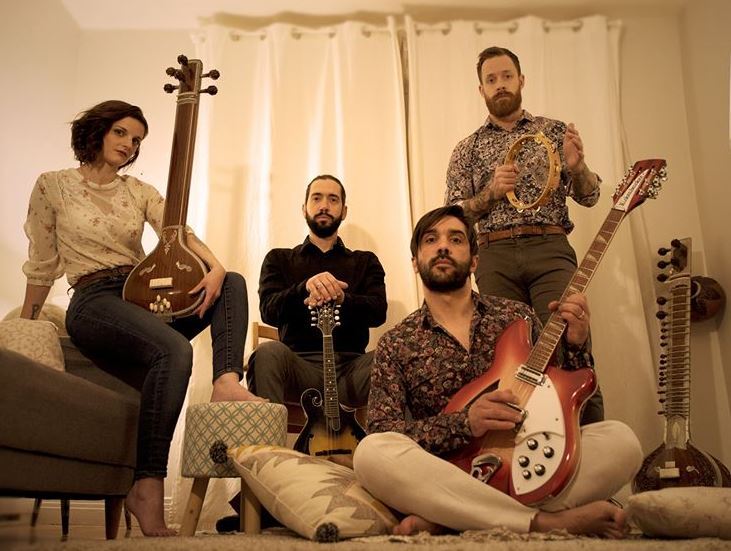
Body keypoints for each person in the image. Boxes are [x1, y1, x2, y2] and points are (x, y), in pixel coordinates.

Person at [20, 100, 261, 537]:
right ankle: (147, 484)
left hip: (141, 297)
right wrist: (26, 322)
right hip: (94, 300)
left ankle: (226, 380)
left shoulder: (138, 191)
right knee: (175, 350)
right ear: (97, 131)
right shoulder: (53, 185)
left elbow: (178, 232)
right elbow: (42, 263)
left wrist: (215, 266)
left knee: (232, 283)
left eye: (136, 140)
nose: (129, 145)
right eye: (122, 133)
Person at [353, 206, 642, 538]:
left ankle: (450, 518)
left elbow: (564, 398)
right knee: (371, 453)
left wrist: (577, 344)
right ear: (416, 262)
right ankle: (546, 522)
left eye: (456, 239)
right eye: (431, 240)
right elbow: (384, 429)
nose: (443, 246)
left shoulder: (517, 316)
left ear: (475, 261)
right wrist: (465, 423)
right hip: (446, 472)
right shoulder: (396, 342)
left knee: (622, 441)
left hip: (530, 455)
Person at [445, 46, 604, 424]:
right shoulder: (466, 149)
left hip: (549, 246)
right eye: (491, 79)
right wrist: (490, 193)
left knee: (568, 338)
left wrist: (578, 168)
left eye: (506, 76)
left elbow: (591, 196)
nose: (500, 84)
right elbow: (451, 217)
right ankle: (519, 443)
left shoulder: (554, 132)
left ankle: (591, 436)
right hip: (494, 255)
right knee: (508, 355)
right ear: (481, 89)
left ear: (521, 80)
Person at [247, 174, 387, 409]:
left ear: (344, 211)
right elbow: (268, 311)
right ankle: (268, 436)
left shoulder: (365, 261)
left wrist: (343, 299)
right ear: (304, 208)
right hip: (298, 370)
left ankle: (403, 436)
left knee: (397, 352)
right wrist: (304, 289)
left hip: (352, 371)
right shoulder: (278, 259)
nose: (324, 206)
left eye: (333, 199)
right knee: (266, 352)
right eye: (316, 198)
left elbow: (378, 312)